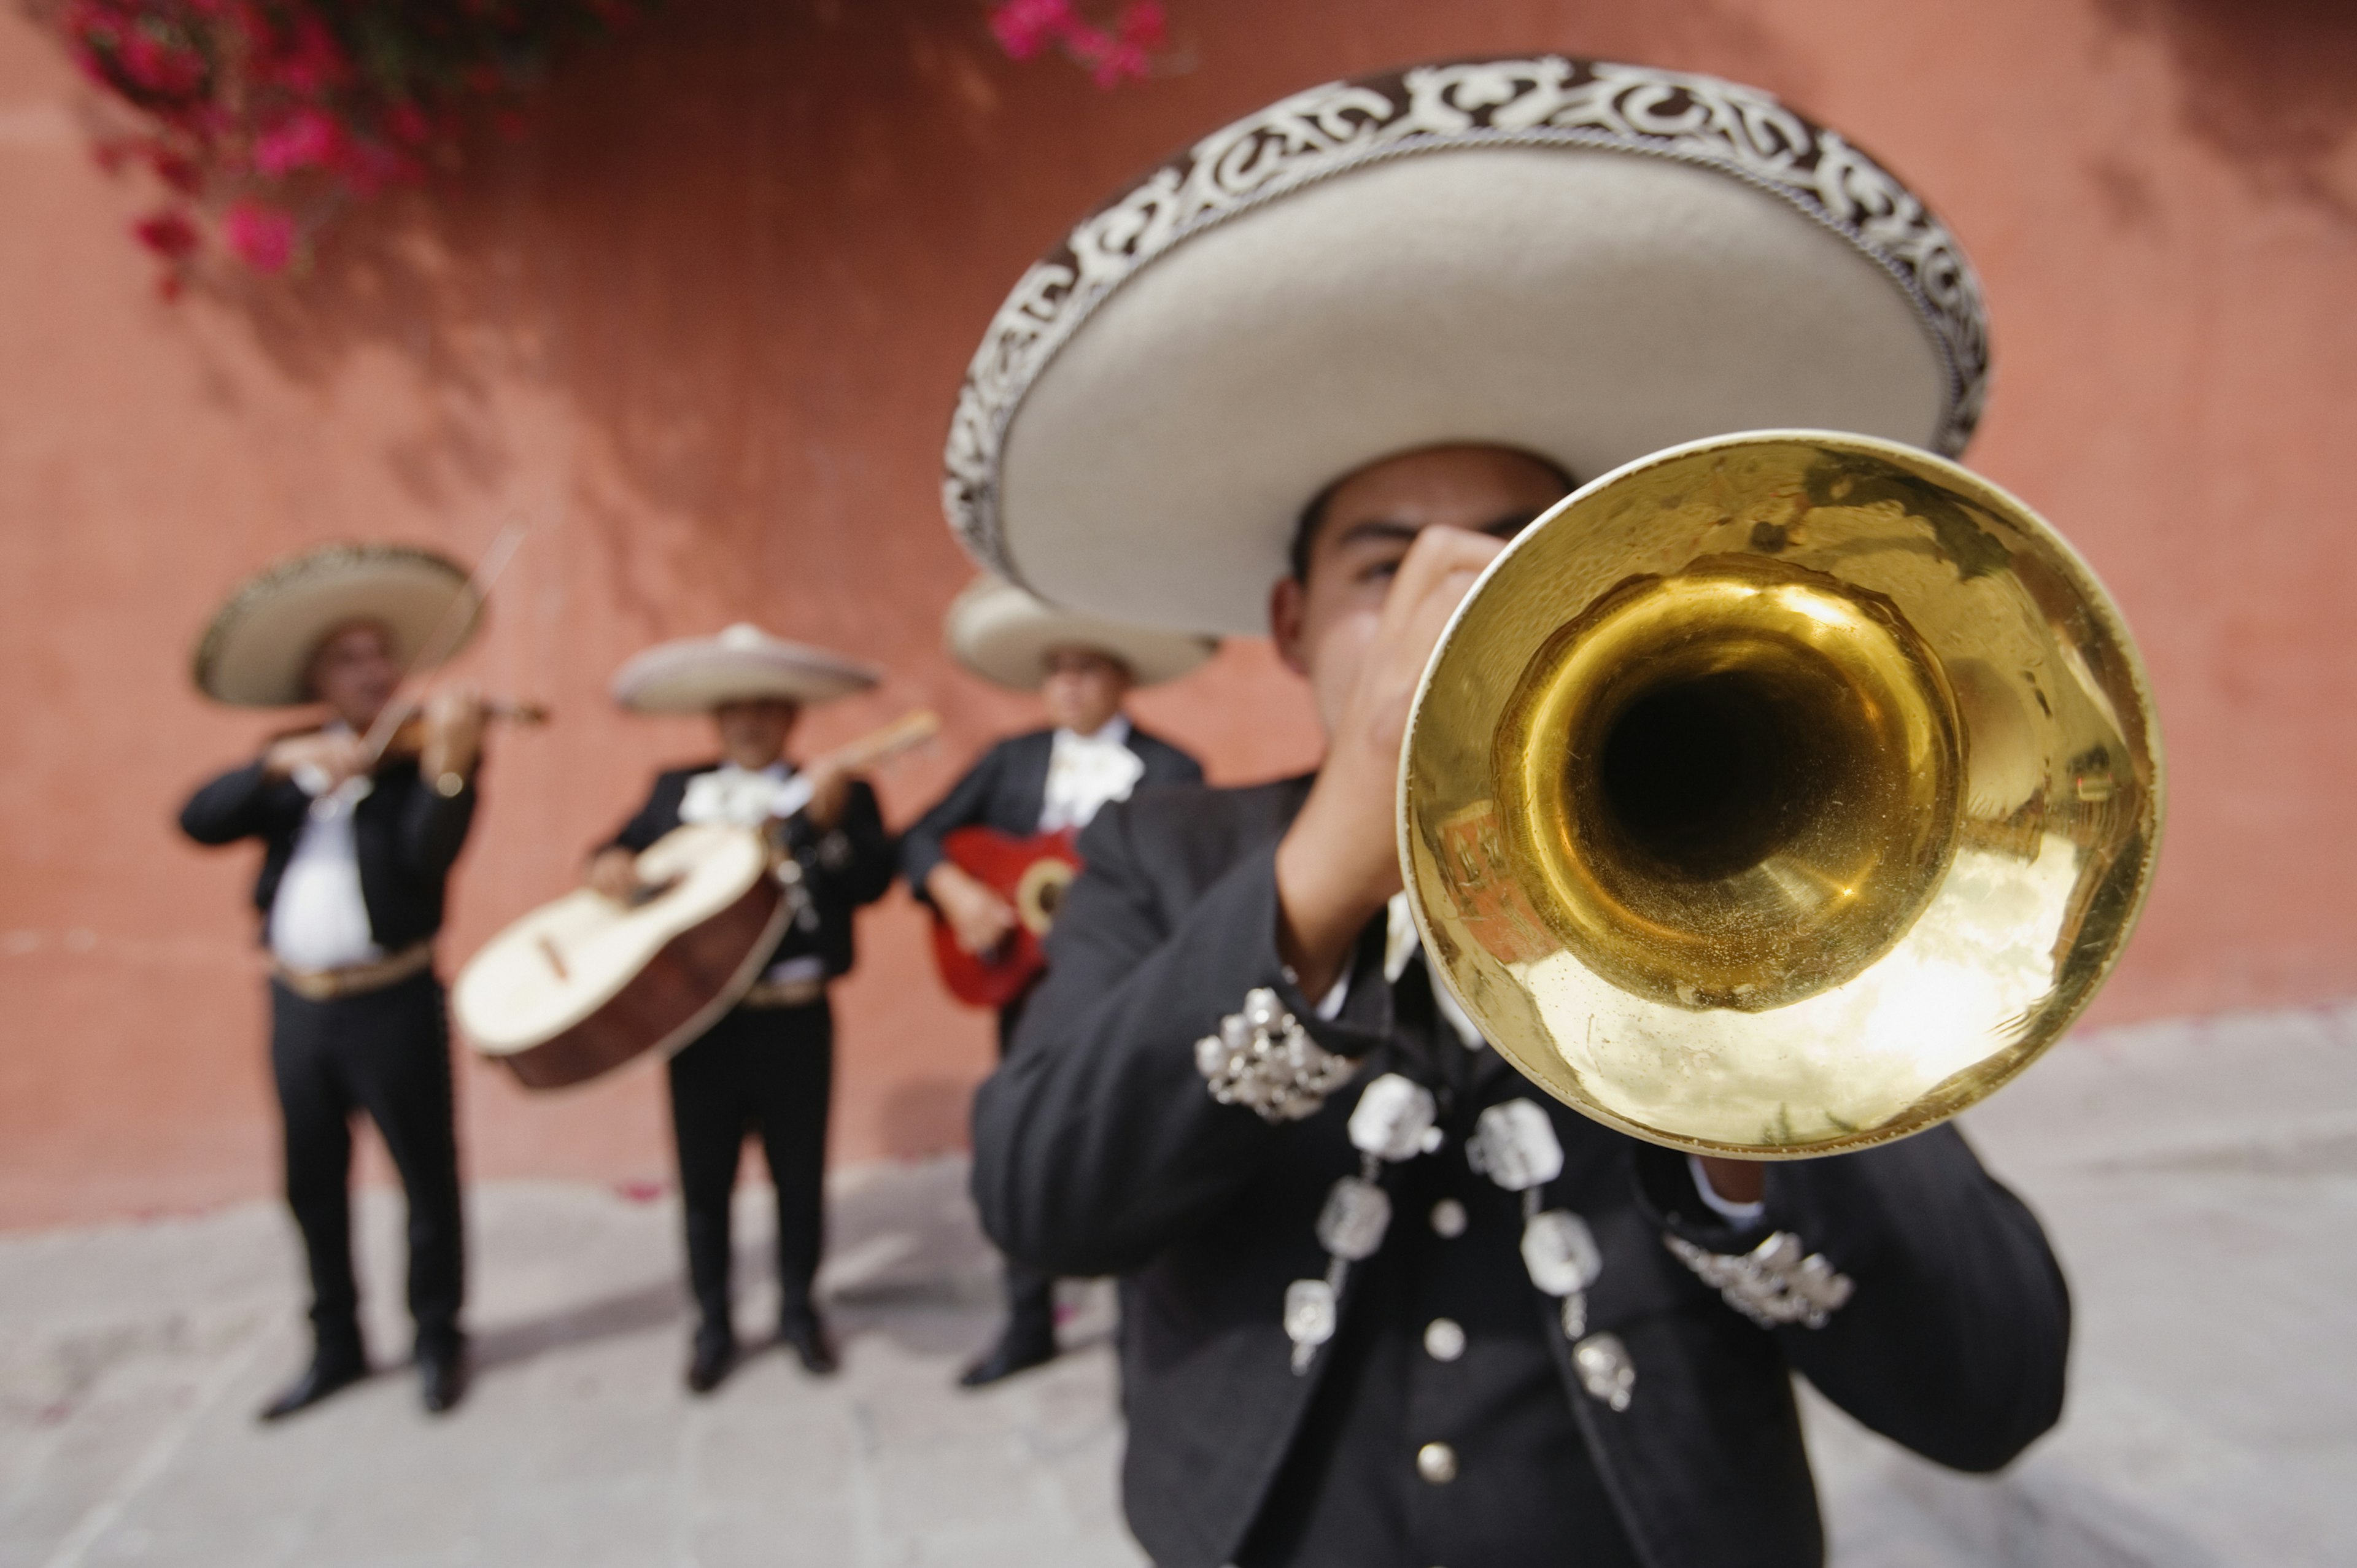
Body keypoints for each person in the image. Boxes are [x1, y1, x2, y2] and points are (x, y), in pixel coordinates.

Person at [950, 58, 2067, 1567]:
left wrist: (1749, 1093)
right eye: (1383, 569)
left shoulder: (1742, 881)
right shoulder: (1168, 853)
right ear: (1286, 624)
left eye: (1526, 560)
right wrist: (1330, 860)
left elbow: (1993, 1387)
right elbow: (1039, 1204)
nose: (1451, 609)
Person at [178, 543, 490, 1421]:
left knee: (426, 1176)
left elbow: (430, 857)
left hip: (392, 997)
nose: (374, 671)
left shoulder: (426, 759)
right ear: (319, 675)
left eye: (381, 655)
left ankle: (437, 1336)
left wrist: (454, 767)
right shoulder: (287, 760)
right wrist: (280, 765)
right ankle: (336, 1344)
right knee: (311, 1180)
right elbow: (196, 820)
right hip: (298, 1006)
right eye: (351, 658)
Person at [900, 576, 1211, 1387]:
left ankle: (1137, 1334)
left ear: (1122, 677)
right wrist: (957, 888)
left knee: (1137, 1141)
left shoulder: (1173, 767)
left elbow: (1190, 884)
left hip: (1130, 995)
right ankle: (1026, 1318)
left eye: (1086, 667)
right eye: (1056, 668)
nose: (1067, 682)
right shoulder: (1011, 761)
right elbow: (922, 837)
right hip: (1027, 991)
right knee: (1025, 1137)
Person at [587, 624, 897, 1394]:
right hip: (701, 1020)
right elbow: (611, 853)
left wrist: (826, 834)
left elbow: (871, 882)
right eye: (735, 709)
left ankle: (799, 1308)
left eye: (766, 707)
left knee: (800, 1172)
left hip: (795, 1013)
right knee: (704, 1179)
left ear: (791, 716)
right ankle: (713, 1321)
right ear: (715, 719)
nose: (750, 722)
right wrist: (609, 866)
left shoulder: (840, 789)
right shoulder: (675, 792)